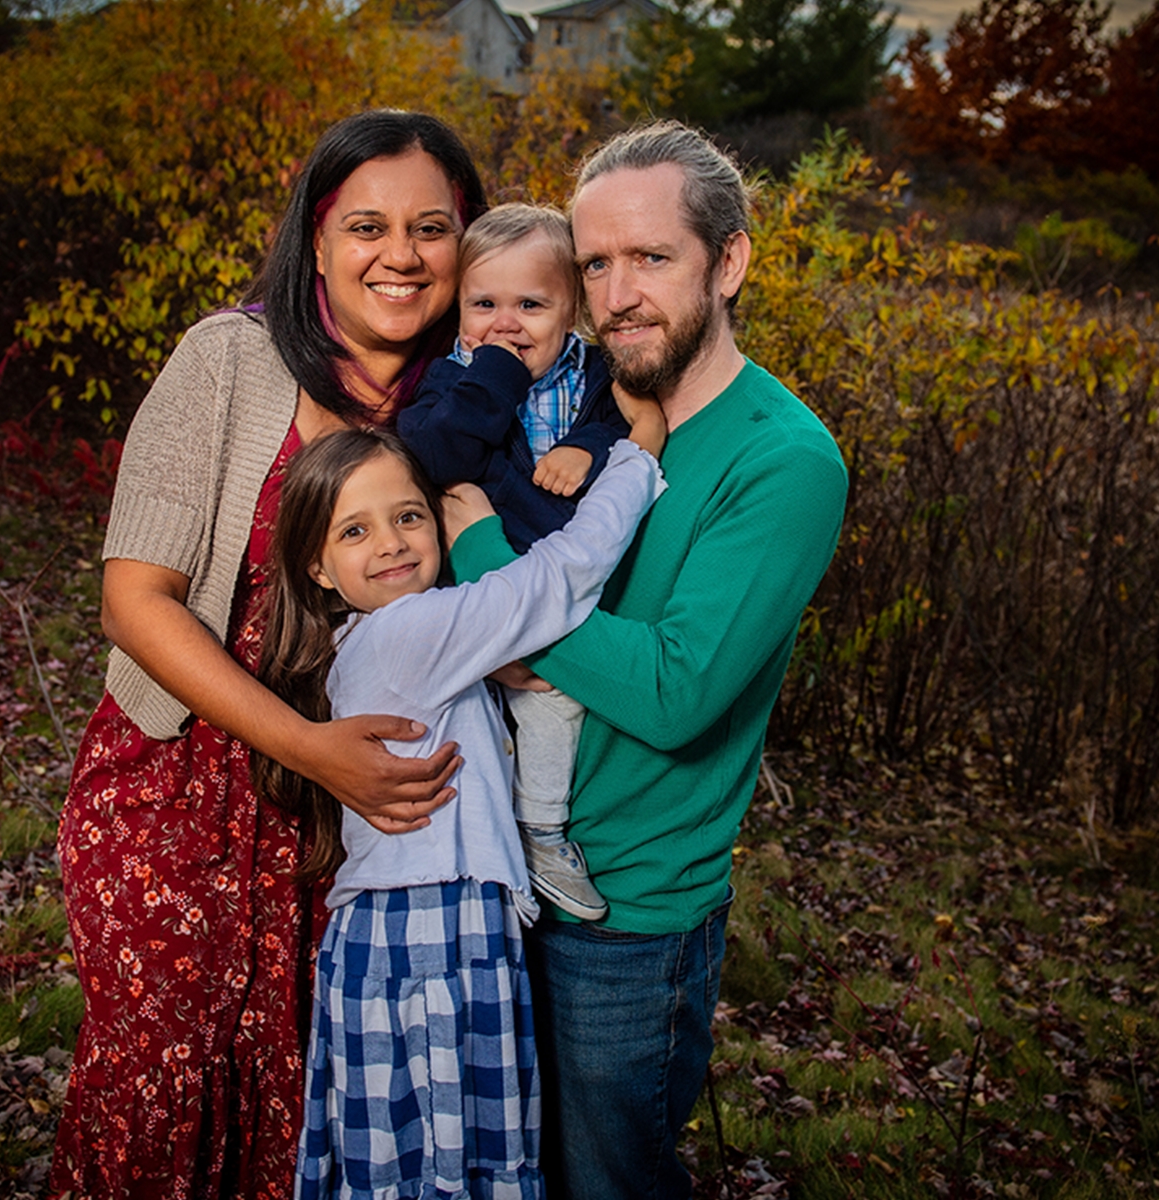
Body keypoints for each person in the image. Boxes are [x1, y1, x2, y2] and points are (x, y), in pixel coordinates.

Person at [50, 110, 488, 1200]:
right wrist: (306, 745)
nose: (401, 255)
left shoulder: (472, 405)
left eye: (432, 228)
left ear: (468, 243)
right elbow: (133, 598)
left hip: (347, 828)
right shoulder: (230, 360)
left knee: (299, 1117)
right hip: (177, 799)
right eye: (367, 227)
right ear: (318, 239)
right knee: (157, 1098)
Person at [447, 121, 850, 1199]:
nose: (619, 293)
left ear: (729, 262)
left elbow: (673, 692)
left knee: (606, 1182)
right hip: (490, 868)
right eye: (596, 263)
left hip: (625, 920)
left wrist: (486, 566)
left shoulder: (782, 459)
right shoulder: (571, 409)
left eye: (653, 258)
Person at [253, 419, 665, 1199]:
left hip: (410, 931)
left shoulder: (374, 638)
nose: (392, 543)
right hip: (430, 932)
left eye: (409, 515)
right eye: (354, 530)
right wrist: (635, 460)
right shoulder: (409, 632)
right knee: (452, 1162)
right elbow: (560, 575)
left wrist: (497, 665)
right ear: (319, 567)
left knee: (411, 1165)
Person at [398, 204, 629, 921]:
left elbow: (627, 419)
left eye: (531, 305)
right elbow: (441, 455)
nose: (506, 322)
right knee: (473, 731)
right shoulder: (448, 382)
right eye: (485, 304)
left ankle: (543, 833)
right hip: (475, 587)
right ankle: (483, 859)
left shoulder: (595, 372)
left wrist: (586, 448)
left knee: (554, 706)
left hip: (561, 586)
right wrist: (494, 371)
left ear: (572, 311)